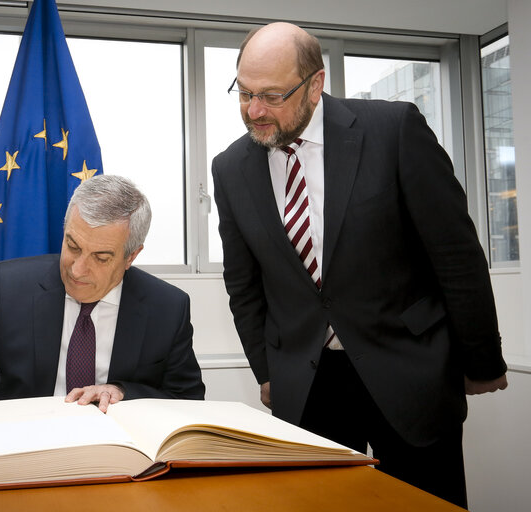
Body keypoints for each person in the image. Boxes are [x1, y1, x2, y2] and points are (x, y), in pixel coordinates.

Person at [211, 22, 507, 508]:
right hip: (308, 385)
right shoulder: (230, 167)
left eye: (271, 95)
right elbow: (243, 284)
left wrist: (481, 361)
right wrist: (268, 373)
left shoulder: (393, 130)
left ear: (315, 84)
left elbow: (455, 254)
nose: (254, 110)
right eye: (243, 93)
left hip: (408, 371)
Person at [0, 175, 205, 414]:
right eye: (72, 246)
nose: (78, 269)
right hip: (24, 444)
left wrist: (124, 392)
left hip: (117, 454)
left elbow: (188, 399)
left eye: (101, 257)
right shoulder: (9, 287)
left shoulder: (167, 308)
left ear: (131, 256)